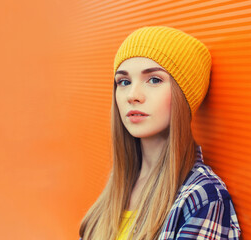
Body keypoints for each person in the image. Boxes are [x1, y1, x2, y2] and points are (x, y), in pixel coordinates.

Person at [79, 26, 241, 240]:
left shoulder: (202, 197)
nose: (133, 95)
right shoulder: (118, 187)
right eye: (124, 82)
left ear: (183, 96)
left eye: (154, 80)